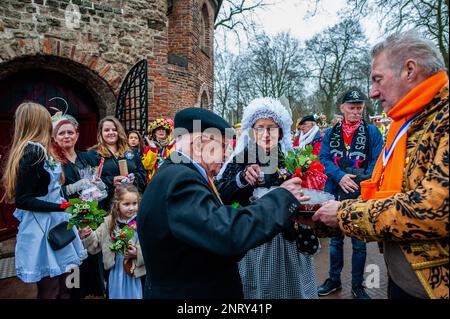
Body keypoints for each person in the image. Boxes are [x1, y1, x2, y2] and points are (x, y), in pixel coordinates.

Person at [313, 31, 449, 299]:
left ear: (410, 70)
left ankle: (358, 286)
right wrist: (316, 215)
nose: (373, 92)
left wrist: (344, 213)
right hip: (403, 279)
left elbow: (434, 209)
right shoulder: (407, 122)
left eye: (378, 79)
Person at [137, 107, 310, 299]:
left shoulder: (177, 172)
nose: (227, 155)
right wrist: (283, 196)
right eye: (223, 147)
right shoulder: (181, 180)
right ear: (199, 144)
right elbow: (228, 233)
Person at [216, 97, 318, 299]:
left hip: (286, 238)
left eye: (271, 127)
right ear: (252, 132)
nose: (265, 133)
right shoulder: (240, 158)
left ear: (280, 132)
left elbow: (305, 191)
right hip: (252, 238)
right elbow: (221, 193)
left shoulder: (292, 159)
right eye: (260, 127)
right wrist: (242, 179)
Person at [0, 102, 87, 299]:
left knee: (67, 283)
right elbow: (23, 200)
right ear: (39, 122)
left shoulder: (41, 149)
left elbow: (52, 188)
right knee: (51, 289)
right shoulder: (33, 153)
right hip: (43, 227)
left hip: (57, 221)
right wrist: (62, 206)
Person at [317, 88, 384, 299]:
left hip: (359, 192)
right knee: (335, 240)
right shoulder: (331, 132)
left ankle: (357, 284)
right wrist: (339, 176)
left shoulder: (372, 132)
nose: (356, 111)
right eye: (352, 107)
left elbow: (377, 162)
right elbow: (324, 159)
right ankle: (334, 279)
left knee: (358, 242)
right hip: (335, 190)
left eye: (360, 107)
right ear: (342, 108)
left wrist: (358, 181)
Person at [51, 112, 106, 298]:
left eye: (70, 132)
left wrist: (98, 187)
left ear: (77, 135)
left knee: (92, 263)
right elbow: (52, 195)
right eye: (61, 133)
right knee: (72, 269)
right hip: (67, 221)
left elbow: (100, 181)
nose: (66, 136)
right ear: (54, 137)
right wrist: (75, 187)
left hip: (90, 220)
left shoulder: (88, 158)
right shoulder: (53, 163)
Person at [79, 184, 145, 299]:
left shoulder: (143, 222)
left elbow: (153, 248)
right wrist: (87, 235)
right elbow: (95, 245)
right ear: (117, 204)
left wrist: (138, 253)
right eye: (126, 204)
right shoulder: (109, 222)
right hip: (116, 271)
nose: (131, 208)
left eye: (135, 204)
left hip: (137, 272)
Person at [87, 116, 146, 209]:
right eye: (106, 130)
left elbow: (143, 174)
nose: (111, 132)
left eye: (114, 129)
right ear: (101, 133)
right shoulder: (93, 154)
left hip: (131, 203)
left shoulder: (131, 151)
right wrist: (111, 181)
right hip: (107, 204)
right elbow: (89, 180)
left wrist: (133, 180)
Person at [142, 118, 175, 183]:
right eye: (158, 129)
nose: (161, 131)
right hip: (154, 181)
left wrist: (169, 147)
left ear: (167, 133)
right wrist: (153, 149)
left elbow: (172, 164)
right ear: (154, 133)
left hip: (168, 180)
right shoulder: (148, 148)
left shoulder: (171, 146)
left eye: (163, 129)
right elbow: (146, 166)